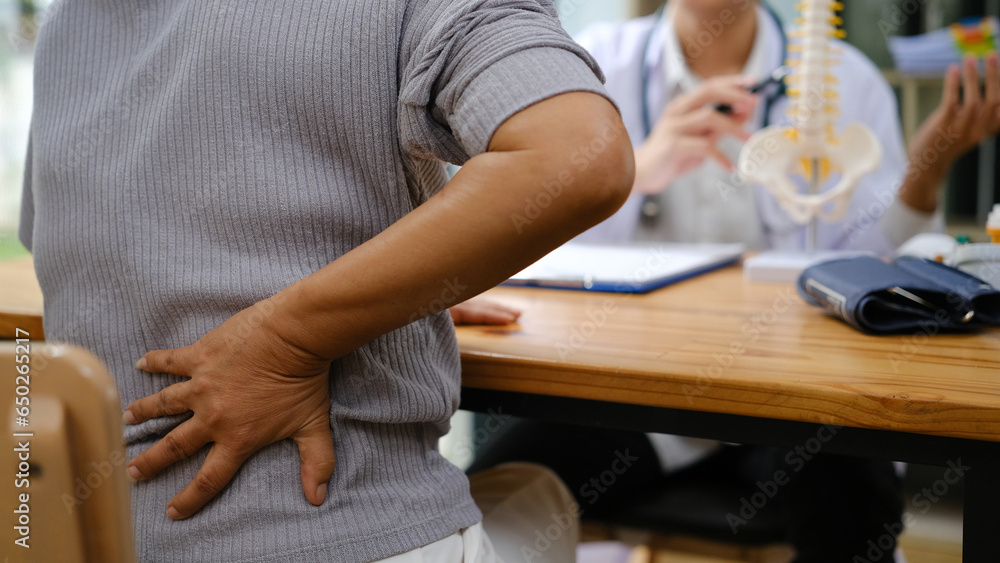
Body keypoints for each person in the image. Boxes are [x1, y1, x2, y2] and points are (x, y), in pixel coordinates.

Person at [18, 0, 634, 561]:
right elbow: (580, 154)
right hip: (347, 529)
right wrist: (289, 337)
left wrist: (405, 290)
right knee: (537, 492)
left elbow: (91, 253)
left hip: (90, 539)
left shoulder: (67, 26)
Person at [468, 2, 1000, 562]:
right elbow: (533, 247)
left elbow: (874, 281)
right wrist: (633, 171)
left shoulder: (846, 78)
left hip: (793, 400)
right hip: (637, 400)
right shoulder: (592, 67)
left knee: (848, 495)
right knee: (492, 498)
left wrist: (925, 171)